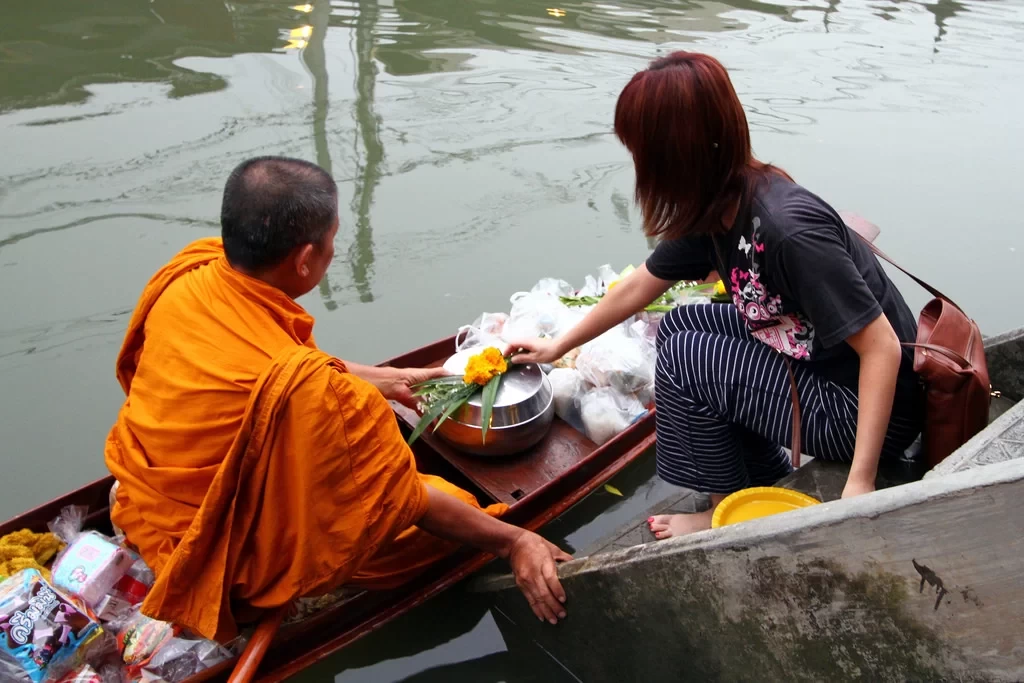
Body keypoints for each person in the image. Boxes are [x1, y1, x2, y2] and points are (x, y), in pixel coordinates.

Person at [105, 156, 570, 641]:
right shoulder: (319, 392)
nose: (332, 252)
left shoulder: (190, 275)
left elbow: (276, 366)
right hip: (223, 550)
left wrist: (387, 378)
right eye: (331, 242)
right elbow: (405, 499)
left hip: (148, 494)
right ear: (305, 260)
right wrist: (515, 541)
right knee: (450, 511)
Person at [510, 51, 924, 538]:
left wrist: (861, 480)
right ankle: (759, 474)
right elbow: (643, 283)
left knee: (688, 355)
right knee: (683, 325)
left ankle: (722, 508)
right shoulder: (720, 205)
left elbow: (883, 347)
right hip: (817, 369)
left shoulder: (787, 231)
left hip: (866, 409)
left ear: (675, 153)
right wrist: (558, 347)